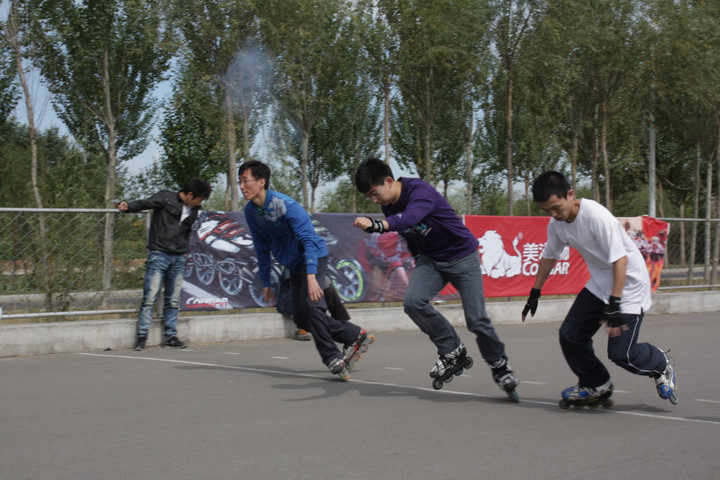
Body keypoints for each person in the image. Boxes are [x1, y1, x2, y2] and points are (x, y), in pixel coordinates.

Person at [353, 157, 519, 399]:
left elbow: (410, 218)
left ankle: (500, 366)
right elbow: (408, 233)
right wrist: (417, 258)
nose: (375, 201)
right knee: (413, 302)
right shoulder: (388, 206)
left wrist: (378, 225)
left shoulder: (419, 191)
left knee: (476, 320)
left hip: (463, 257)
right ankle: (452, 348)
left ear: (388, 181)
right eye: (370, 197)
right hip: (432, 260)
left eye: (374, 193)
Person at [522, 171, 678, 405]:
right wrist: (535, 292)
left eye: (556, 207)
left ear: (570, 194)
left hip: (629, 285)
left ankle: (660, 364)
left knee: (621, 354)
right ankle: (595, 383)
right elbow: (549, 256)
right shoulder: (556, 225)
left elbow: (620, 259)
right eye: (547, 210)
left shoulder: (595, 216)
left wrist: (614, 304)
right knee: (570, 335)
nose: (553, 214)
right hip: (600, 283)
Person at [238, 160, 373, 380]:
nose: (242, 186)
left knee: (312, 306)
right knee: (301, 318)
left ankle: (332, 357)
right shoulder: (251, 211)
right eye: (240, 182)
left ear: (261, 182)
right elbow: (261, 248)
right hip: (293, 264)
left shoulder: (286, 205)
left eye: (246, 181)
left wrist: (311, 276)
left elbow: (309, 240)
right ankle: (353, 334)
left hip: (314, 258)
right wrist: (265, 282)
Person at [116, 178, 212, 351]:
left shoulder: (194, 210)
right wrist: (128, 206)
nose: (200, 203)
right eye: (199, 199)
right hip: (159, 253)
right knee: (150, 296)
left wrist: (184, 251)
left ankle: (170, 336)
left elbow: (187, 232)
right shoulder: (166, 197)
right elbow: (145, 203)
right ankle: (142, 336)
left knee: (173, 299)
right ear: (190, 194)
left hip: (179, 256)